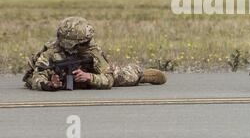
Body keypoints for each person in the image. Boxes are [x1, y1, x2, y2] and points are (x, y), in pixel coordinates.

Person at [23, 17, 167, 91]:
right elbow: (37, 77)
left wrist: (89, 77)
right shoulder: (50, 54)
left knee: (122, 76)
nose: (88, 44)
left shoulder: (92, 51)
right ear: (70, 43)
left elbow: (108, 79)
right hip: (58, 79)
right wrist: (49, 84)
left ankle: (143, 74)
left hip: (92, 74)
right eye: (83, 42)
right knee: (30, 82)